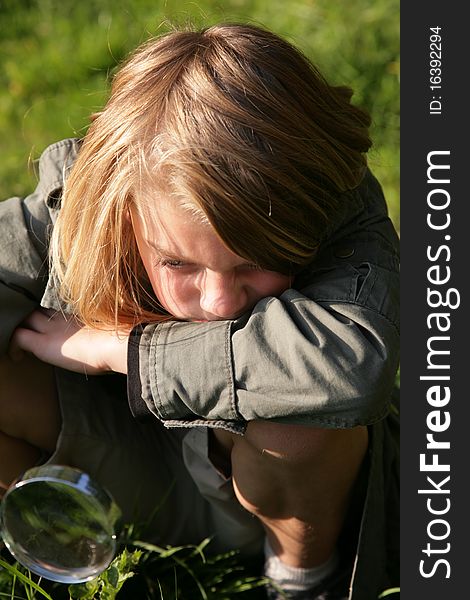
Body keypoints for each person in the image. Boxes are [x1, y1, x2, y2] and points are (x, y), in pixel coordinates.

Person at [0, 23, 399, 599]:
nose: (218, 301)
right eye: (178, 264)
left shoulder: (337, 208)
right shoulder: (103, 196)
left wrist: (125, 350)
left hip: (289, 501)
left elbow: (351, 362)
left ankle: (302, 582)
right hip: (129, 465)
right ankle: (57, 537)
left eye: (253, 263)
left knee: (304, 421)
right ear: (124, 206)